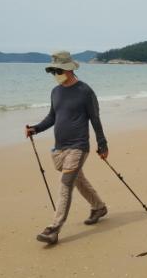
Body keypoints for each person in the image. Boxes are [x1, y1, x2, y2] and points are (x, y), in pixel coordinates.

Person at [26, 51, 108, 245]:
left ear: (69, 69)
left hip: (79, 146)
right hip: (60, 148)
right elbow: (52, 117)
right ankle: (99, 207)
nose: (56, 74)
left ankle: (54, 229)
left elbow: (95, 119)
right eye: (53, 71)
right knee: (78, 179)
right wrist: (36, 129)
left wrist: (102, 143)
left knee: (65, 183)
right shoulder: (56, 92)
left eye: (58, 70)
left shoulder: (85, 91)